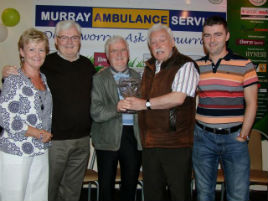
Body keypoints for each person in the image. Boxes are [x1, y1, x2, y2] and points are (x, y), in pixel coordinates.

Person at [2, 20, 96, 201]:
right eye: (64, 37)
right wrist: (6, 72)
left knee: (71, 192)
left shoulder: (86, 65)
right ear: (56, 41)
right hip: (53, 142)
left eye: (74, 37)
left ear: (80, 40)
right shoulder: (44, 63)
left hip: (82, 141)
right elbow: (19, 80)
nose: (69, 41)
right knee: (46, 191)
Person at [124, 24, 199, 201]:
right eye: (153, 42)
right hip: (150, 143)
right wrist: (128, 102)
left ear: (172, 42)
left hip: (176, 144)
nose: (157, 45)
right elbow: (141, 98)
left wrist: (145, 104)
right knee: (152, 194)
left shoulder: (185, 65)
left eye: (162, 40)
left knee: (179, 194)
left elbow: (178, 98)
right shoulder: (149, 69)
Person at [192, 16, 258, 201]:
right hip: (203, 139)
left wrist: (243, 135)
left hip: (234, 140)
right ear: (203, 38)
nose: (212, 40)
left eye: (217, 35)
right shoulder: (196, 67)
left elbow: (252, 103)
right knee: (204, 195)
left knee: (238, 196)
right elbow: (187, 101)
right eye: (207, 35)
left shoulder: (245, 65)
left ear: (227, 36)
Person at [0, 28, 53, 201]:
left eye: (41, 49)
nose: (37, 54)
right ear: (22, 52)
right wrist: (37, 133)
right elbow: (6, 118)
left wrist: (41, 136)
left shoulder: (43, 78)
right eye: (31, 49)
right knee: (13, 197)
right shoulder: (13, 79)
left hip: (40, 150)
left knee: (37, 197)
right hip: (16, 150)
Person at [90, 35, 142, 201]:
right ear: (107, 56)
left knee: (130, 185)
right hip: (106, 136)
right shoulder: (98, 79)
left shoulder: (139, 77)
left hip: (133, 137)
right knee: (106, 187)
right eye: (114, 51)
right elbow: (96, 112)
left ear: (128, 53)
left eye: (123, 50)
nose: (119, 54)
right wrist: (116, 108)